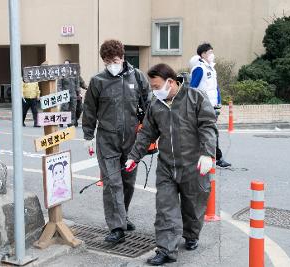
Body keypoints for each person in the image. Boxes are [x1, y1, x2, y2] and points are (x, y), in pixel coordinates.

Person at [125, 63, 217, 265]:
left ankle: (191, 234)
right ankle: (166, 250)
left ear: (171, 82)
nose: (155, 91)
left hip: (194, 164)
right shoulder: (156, 105)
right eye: (153, 87)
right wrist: (134, 156)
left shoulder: (195, 97)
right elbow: (147, 133)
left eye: (157, 86)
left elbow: (208, 126)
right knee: (165, 208)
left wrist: (207, 154)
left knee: (193, 207)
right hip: (167, 165)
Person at [82, 39, 150, 244]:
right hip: (107, 139)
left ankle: (123, 215)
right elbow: (89, 110)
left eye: (115, 59)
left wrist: (154, 132)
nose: (112, 64)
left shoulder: (137, 77)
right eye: (107, 61)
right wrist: (88, 136)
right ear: (103, 61)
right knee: (112, 182)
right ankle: (116, 226)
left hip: (132, 140)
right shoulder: (98, 81)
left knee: (128, 182)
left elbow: (149, 105)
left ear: (122, 57)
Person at [189, 43, 231, 168]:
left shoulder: (212, 69)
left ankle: (214, 157)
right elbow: (192, 88)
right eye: (210, 52)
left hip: (213, 106)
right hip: (202, 107)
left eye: (212, 52)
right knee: (209, 132)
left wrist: (218, 103)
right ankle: (216, 158)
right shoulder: (199, 69)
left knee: (210, 132)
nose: (212, 55)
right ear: (203, 54)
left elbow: (215, 88)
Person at [57, 60, 87, 127]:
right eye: (65, 65)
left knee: (73, 109)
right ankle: (61, 121)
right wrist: (60, 93)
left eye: (67, 64)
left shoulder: (75, 74)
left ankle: (71, 123)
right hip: (65, 94)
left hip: (73, 94)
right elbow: (59, 85)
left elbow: (79, 83)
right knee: (64, 108)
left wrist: (82, 91)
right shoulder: (62, 74)